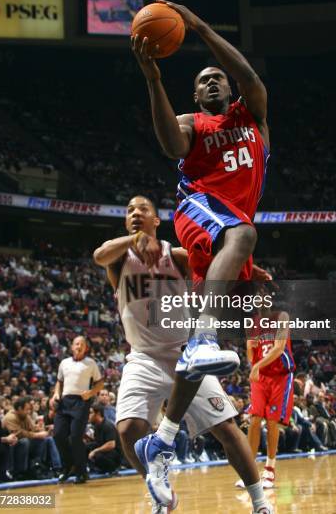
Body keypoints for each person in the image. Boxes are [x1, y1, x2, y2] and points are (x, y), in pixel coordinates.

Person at [131, 0, 270, 508]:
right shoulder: (193, 122)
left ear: (230, 87)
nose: (213, 83)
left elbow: (250, 72)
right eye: (203, 80)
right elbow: (170, 145)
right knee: (246, 234)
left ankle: (163, 442)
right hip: (201, 211)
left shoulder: (252, 112)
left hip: (227, 234)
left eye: (219, 78)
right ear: (193, 93)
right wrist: (153, 80)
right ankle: (203, 336)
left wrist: (201, 27)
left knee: (197, 358)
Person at [94, 195, 273, 514]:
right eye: (130, 211)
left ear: (156, 220)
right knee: (126, 429)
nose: (136, 213)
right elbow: (99, 254)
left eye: (142, 209)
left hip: (184, 354)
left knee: (227, 430)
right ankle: (159, 487)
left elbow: (218, 268)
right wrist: (134, 239)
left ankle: (260, 502)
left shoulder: (175, 256)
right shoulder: (119, 259)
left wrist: (246, 269)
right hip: (144, 357)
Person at [234, 305, 295, 490]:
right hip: (261, 376)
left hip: (280, 375)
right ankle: (250, 472)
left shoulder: (282, 315)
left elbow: (279, 348)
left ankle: (269, 470)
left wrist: (256, 365)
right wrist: (250, 352)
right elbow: (251, 353)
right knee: (254, 419)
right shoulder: (251, 323)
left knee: (271, 422)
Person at [50, 336, 104, 484]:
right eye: (76, 344)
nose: (79, 346)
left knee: (75, 437)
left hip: (81, 402)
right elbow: (59, 382)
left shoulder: (91, 363)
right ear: (72, 347)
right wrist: (56, 394)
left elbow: (100, 383)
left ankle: (81, 471)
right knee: (58, 435)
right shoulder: (64, 363)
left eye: (82, 344)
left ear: (86, 348)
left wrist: (91, 393)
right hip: (64, 402)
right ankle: (68, 467)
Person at [2, 397, 59, 477]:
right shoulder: (10, 417)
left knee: (45, 439)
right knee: (25, 441)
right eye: (26, 409)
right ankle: (20, 472)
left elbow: (33, 428)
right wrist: (37, 435)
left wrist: (42, 429)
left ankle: (40, 467)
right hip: (10, 444)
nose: (28, 412)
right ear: (19, 408)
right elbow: (19, 434)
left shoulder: (25, 416)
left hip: (25, 441)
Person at [86, 403, 121, 474]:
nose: (88, 415)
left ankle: (112, 468)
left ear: (98, 413)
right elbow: (98, 442)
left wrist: (95, 451)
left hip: (115, 455)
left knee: (97, 455)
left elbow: (111, 445)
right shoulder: (96, 426)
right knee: (84, 447)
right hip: (106, 452)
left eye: (90, 413)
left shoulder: (108, 425)